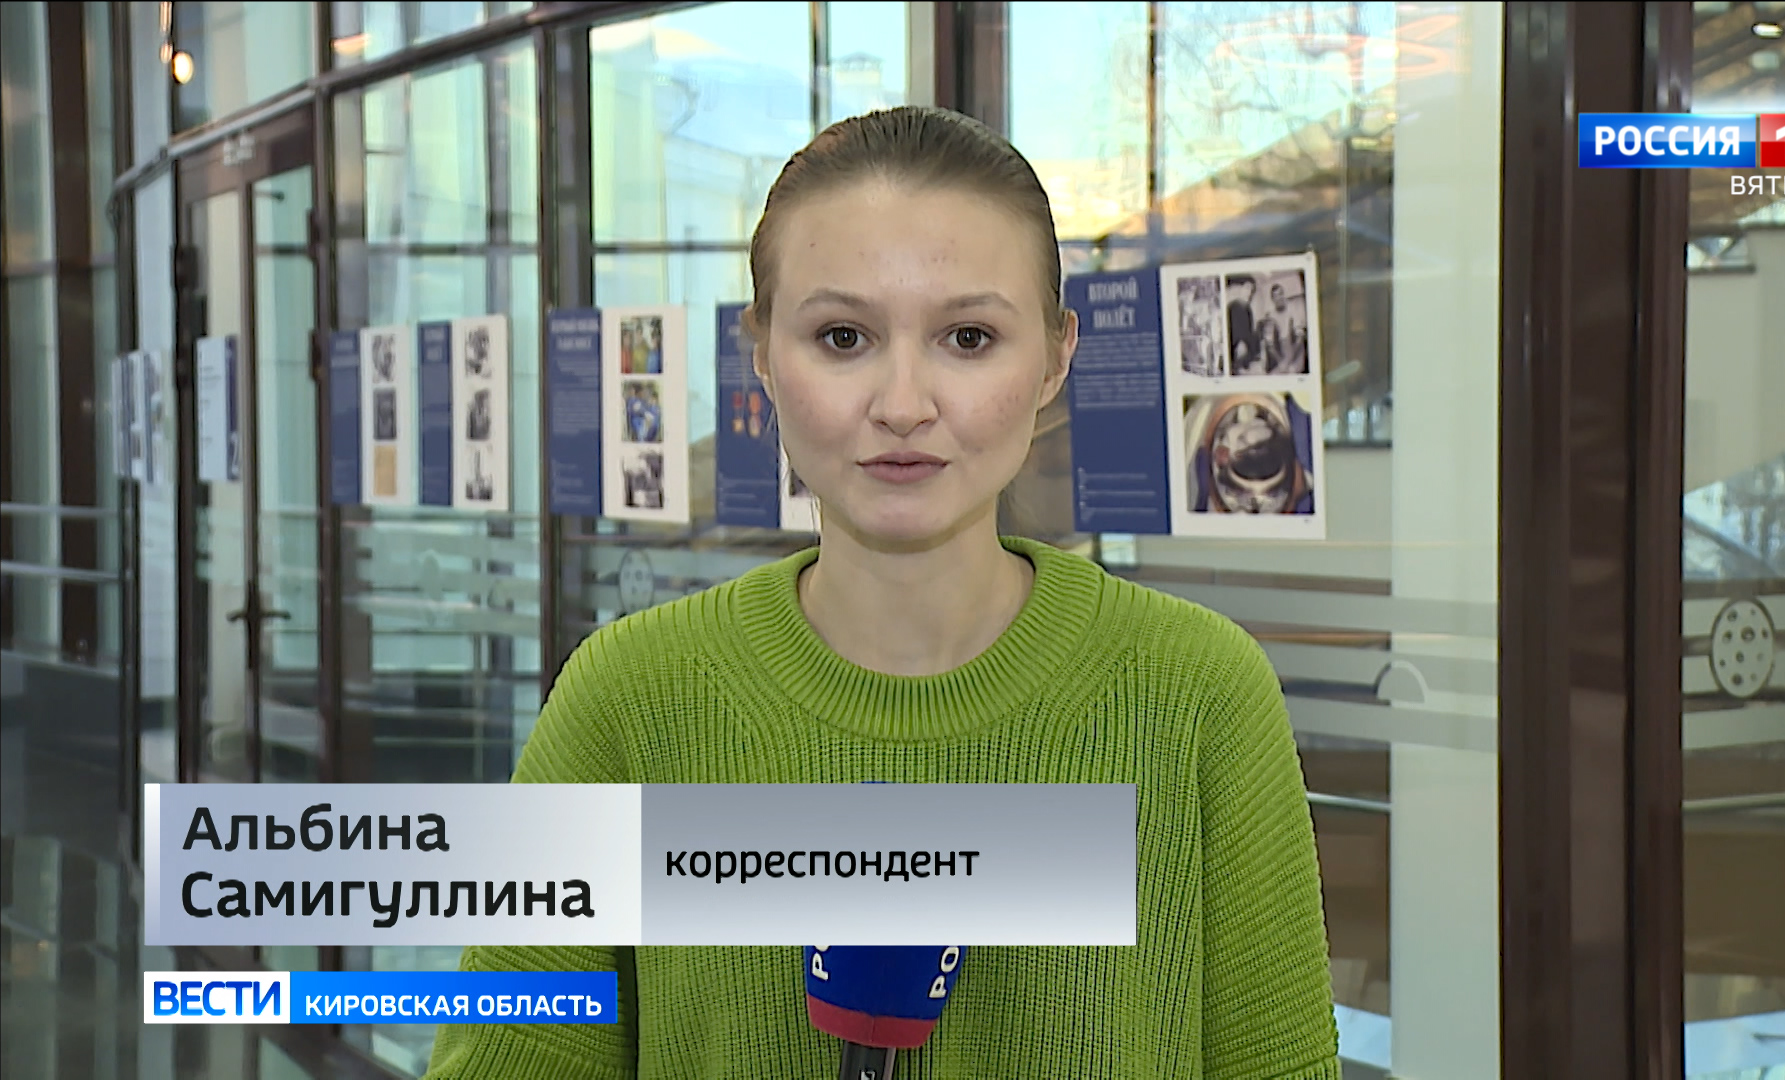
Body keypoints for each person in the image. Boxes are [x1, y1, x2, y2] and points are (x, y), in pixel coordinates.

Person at [424, 105, 1336, 1079]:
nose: (903, 404)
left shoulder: (1201, 694)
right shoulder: (627, 698)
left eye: (969, 337)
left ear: (1055, 358)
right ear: (761, 354)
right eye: (843, 336)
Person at [1225, 274, 1259, 375]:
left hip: (1244, 356)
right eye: (1247, 288)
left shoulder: (1247, 308)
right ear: (1240, 288)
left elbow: (1249, 331)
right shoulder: (1235, 306)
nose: (1250, 293)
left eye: (1252, 290)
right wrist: (1241, 343)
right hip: (1238, 353)